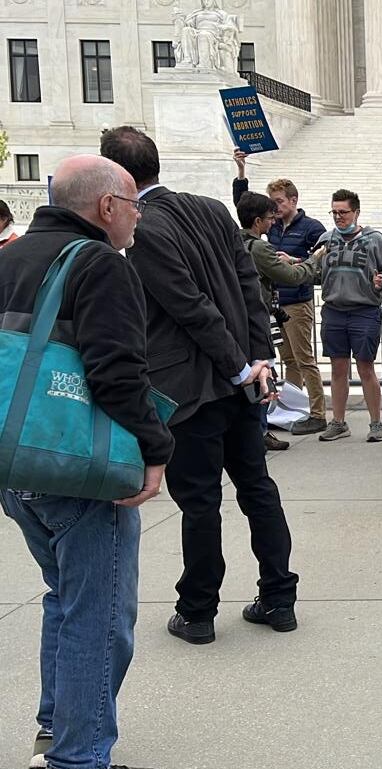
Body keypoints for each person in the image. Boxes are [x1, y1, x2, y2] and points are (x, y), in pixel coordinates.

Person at [0, 155, 169, 769]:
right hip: (78, 469)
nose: (136, 216)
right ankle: (76, 768)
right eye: (133, 205)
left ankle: (56, 730)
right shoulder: (97, 263)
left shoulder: (10, 256)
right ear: (105, 206)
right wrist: (154, 449)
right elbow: (115, 370)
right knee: (98, 612)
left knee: (64, 597)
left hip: (20, 465)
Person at [100, 125, 299, 645]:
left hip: (195, 387)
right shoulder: (211, 208)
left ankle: (198, 610)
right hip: (236, 381)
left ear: (117, 176)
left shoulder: (144, 230)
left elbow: (190, 307)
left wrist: (243, 365)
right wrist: (258, 360)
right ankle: (279, 598)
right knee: (256, 488)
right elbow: (249, 291)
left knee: (202, 501)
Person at [233, 150, 328, 436]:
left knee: (304, 359)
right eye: (270, 208)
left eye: (278, 203)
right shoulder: (264, 237)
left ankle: (317, 412)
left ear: (293, 201)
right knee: (284, 362)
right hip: (273, 306)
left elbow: (316, 269)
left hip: (296, 302)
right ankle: (291, 410)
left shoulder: (312, 228)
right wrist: (241, 174)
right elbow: (244, 207)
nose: (273, 214)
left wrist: (303, 261)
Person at [310, 189, 382, 443]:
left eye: (343, 212)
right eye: (334, 212)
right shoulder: (326, 240)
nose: (339, 217)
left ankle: (376, 422)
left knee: (365, 367)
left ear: (356, 212)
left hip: (364, 311)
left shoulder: (374, 240)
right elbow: (313, 269)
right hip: (334, 310)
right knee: (338, 368)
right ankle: (338, 422)